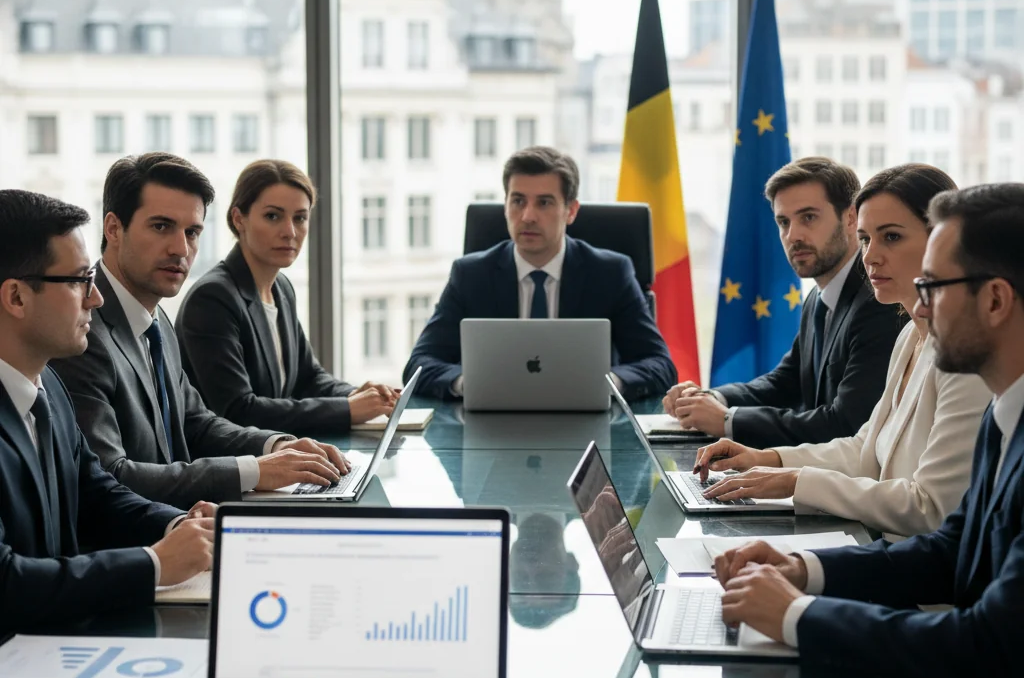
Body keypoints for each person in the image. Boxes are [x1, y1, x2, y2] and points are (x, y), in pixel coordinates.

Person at [713, 183, 1024, 678]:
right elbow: (949, 551)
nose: (919, 309)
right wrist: (802, 571)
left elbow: (985, 644)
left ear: (994, 300)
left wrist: (797, 616)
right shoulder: (1003, 414)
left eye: (934, 287)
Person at [693, 165, 991, 538]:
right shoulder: (910, 338)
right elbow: (865, 448)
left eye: (892, 237)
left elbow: (930, 510)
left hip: (917, 581)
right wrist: (767, 460)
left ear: (941, 240)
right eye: (866, 239)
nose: (870, 257)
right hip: (880, 546)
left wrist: (795, 482)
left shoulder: (966, 358)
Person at [50, 154, 348, 510]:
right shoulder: (80, 333)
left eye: (192, 232)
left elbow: (197, 422)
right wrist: (253, 470)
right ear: (113, 228)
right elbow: (111, 476)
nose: (181, 249)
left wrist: (278, 447)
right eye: (161, 226)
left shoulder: (155, 316)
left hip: (186, 524)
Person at [0, 190, 212, 633]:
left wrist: (179, 525)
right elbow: (8, 582)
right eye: (79, 280)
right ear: (17, 298)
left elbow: (96, 494)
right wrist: (153, 565)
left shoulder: (49, 386)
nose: (95, 298)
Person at [664, 158, 904, 446]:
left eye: (808, 218)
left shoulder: (879, 300)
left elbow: (845, 423)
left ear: (850, 217)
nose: (793, 236)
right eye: (783, 222)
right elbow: (785, 382)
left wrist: (728, 421)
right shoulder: (818, 297)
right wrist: (711, 398)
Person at [402, 146, 676, 401]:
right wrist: (466, 384)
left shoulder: (610, 273)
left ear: (570, 211)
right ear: (506, 205)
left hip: (588, 427)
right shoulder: (471, 274)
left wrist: (609, 383)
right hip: (491, 428)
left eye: (544, 203)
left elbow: (661, 365)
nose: (528, 216)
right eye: (518, 201)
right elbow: (419, 365)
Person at [175, 159, 397, 434]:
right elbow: (238, 410)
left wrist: (361, 395)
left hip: (282, 454)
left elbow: (309, 377)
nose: (290, 232)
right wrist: (349, 409)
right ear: (238, 219)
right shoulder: (213, 298)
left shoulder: (281, 288)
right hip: (233, 465)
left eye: (300, 218)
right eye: (273, 216)